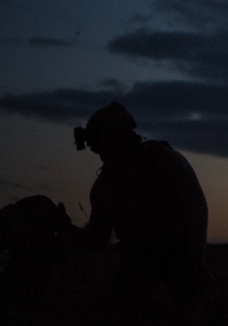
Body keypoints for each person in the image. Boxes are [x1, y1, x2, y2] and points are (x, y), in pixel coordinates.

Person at [72, 101, 210, 317]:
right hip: (141, 264)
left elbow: (196, 209)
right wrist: (67, 233)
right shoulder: (106, 187)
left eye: (104, 143)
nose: (103, 151)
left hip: (179, 259)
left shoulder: (164, 161)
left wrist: (194, 257)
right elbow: (97, 238)